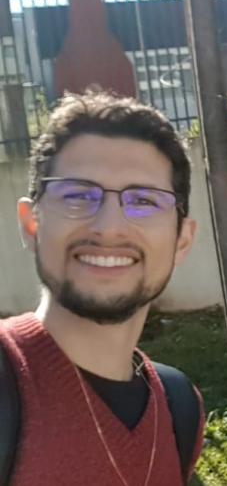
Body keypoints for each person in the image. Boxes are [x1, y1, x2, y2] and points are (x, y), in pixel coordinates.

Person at [0, 92, 204, 485]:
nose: (109, 227)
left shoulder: (179, 407)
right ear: (31, 223)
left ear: (182, 239)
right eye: (77, 195)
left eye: (144, 200)